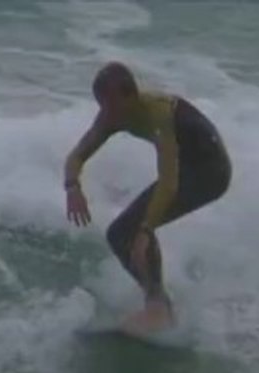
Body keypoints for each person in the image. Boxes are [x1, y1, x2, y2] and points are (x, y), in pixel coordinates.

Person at [63, 62, 232, 333]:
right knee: (119, 234)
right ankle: (158, 302)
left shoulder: (157, 113)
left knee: (131, 230)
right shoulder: (112, 116)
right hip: (186, 169)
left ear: (130, 96)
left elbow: (168, 182)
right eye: (101, 105)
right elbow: (76, 156)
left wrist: (145, 229)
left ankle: (159, 309)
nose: (105, 114)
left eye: (111, 105)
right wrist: (72, 187)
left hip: (212, 172)